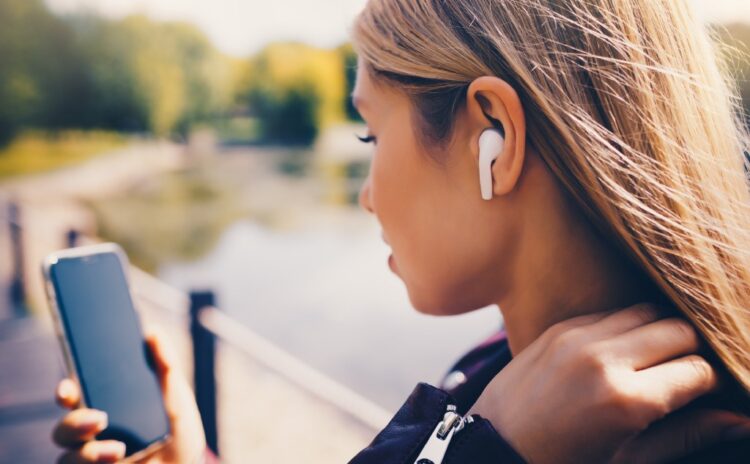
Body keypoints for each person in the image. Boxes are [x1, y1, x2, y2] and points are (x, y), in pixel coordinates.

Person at [52, 0, 750, 462]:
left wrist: (481, 450)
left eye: (369, 132)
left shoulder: (701, 444)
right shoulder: (500, 372)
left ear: (495, 139)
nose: (365, 197)